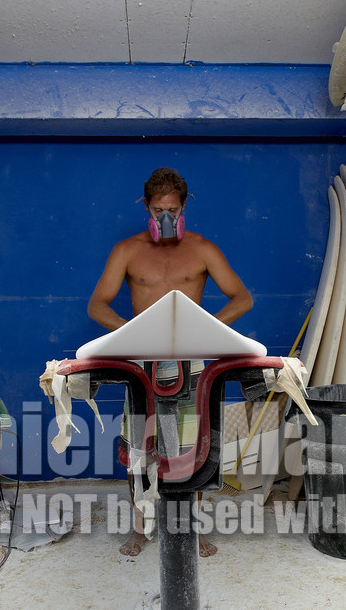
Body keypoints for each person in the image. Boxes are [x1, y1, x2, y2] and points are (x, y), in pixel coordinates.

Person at [87, 167, 253, 558]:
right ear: (146, 206)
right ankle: (142, 528)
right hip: (142, 364)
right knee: (140, 450)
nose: (167, 218)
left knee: (193, 449)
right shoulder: (127, 250)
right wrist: (134, 332)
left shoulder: (203, 249)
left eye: (174, 210)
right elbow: (97, 305)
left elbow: (242, 298)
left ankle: (190, 530)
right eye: (159, 209)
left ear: (184, 207)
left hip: (191, 362)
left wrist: (205, 328)